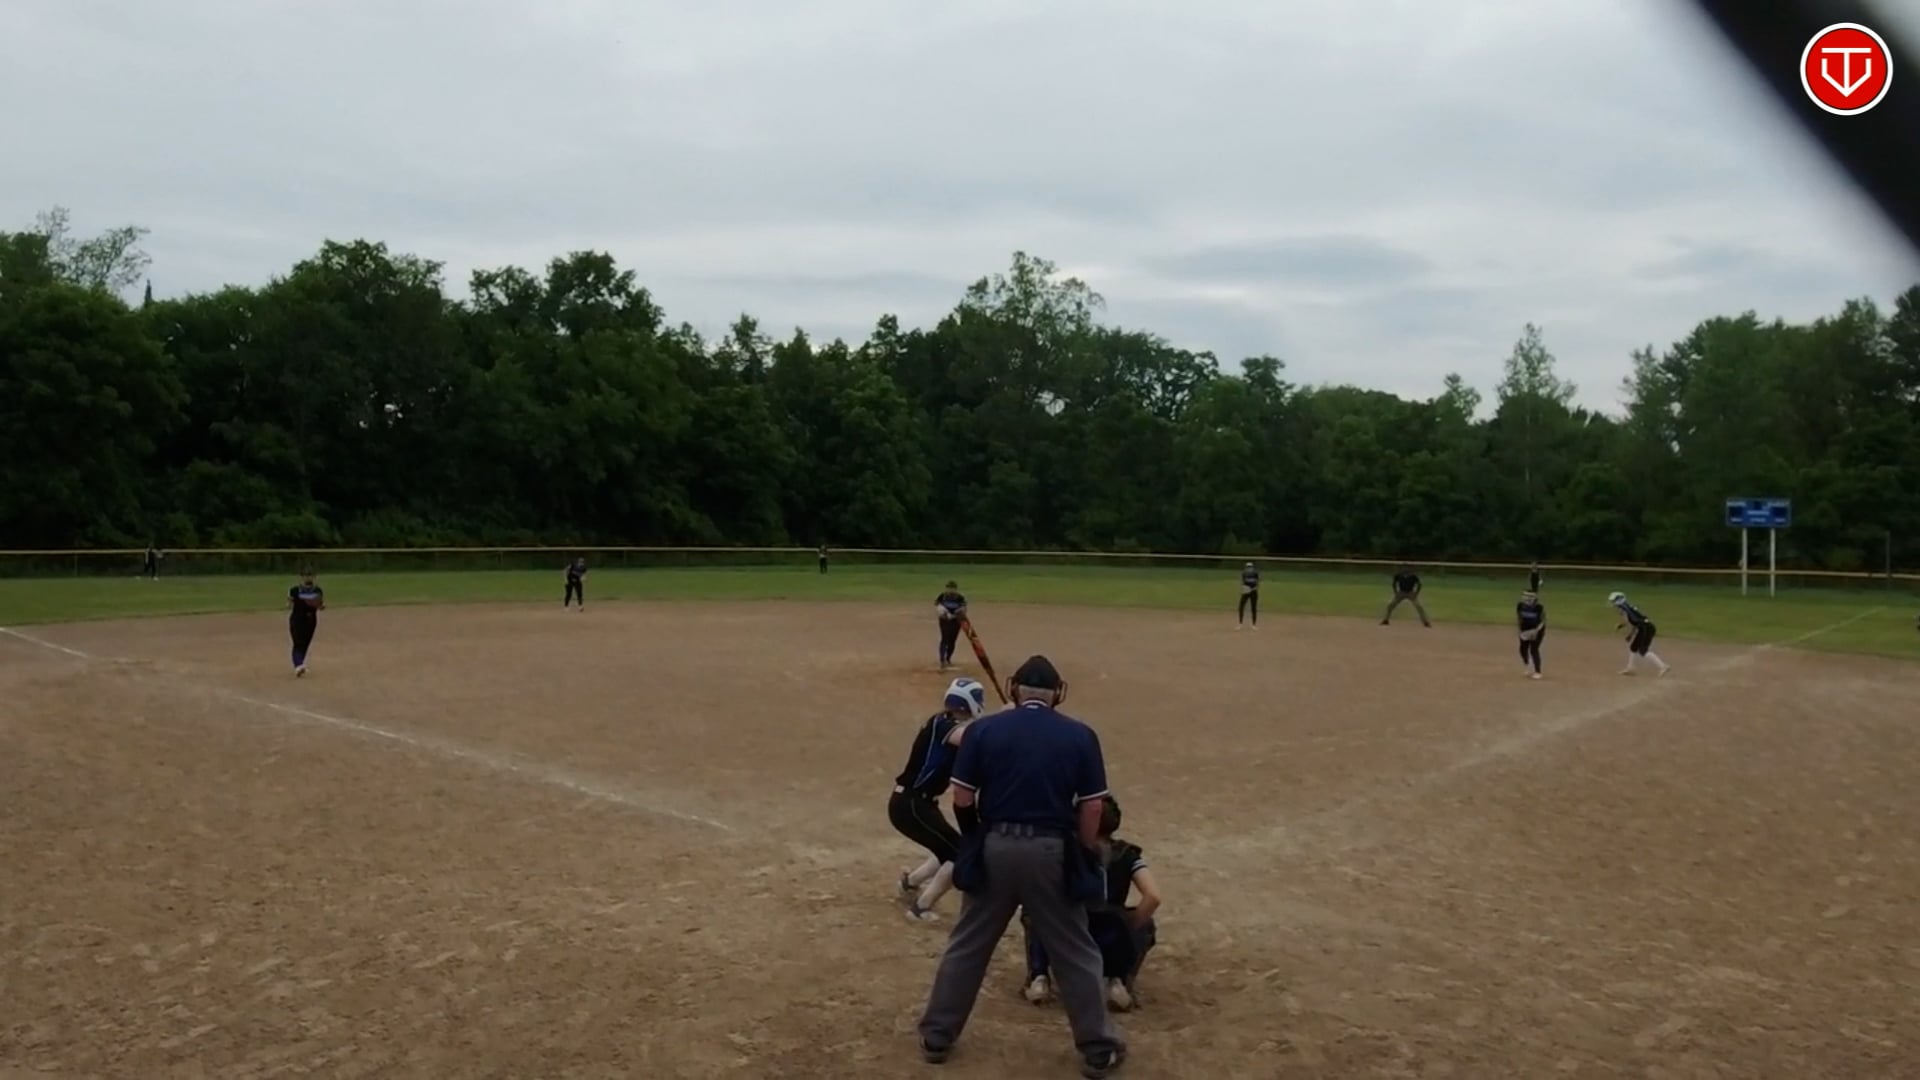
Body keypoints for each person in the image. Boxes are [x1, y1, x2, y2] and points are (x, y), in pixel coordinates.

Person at [915, 655, 1126, 1078]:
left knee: (968, 945)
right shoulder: (1080, 735)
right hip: (1051, 851)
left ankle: (937, 1036)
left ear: (1015, 689)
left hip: (995, 845)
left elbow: (962, 796)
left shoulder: (984, 730)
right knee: (1075, 950)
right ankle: (1098, 1048)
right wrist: (1084, 851)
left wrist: (976, 838)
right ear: (1056, 694)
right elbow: (1092, 807)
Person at [1020, 793, 1161, 1012]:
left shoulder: (1065, 851)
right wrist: (1127, 925)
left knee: (1034, 910)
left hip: (1068, 934)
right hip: (1108, 935)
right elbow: (1153, 897)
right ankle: (1118, 981)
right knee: (1146, 926)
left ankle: (1039, 977)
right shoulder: (1127, 854)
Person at [890, 677, 990, 922]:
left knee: (948, 844)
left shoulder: (944, 721)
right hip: (911, 805)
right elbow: (973, 738)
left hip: (919, 803)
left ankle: (910, 883)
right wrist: (1009, 720)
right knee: (959, 854)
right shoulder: (945, 725)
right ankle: (921, 908)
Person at [1608, 590, 1670, 676]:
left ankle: (1663, 666)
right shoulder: (1628, 606)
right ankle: (1630, 668)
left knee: (1643, 651)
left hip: (1645, 628)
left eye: (1613, 601)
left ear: (1618, 600)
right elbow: (1635, 622)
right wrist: (1623, 627)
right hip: (1646, 627)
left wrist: (1629, 634)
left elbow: (1631, 623)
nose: (1612, 603)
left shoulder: (1624, 609)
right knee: (1633, 647)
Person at [287, 567, 325, 677]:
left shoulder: (317, 591)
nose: (308, 578)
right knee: (297, 642)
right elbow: (289, 604)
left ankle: (300, 664)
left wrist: (321, 606)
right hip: (297, 619)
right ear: (301, 577)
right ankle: (298, 664)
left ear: (314, 577)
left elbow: (320, 605)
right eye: (305, 575)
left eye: (310, 575)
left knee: (305, 643)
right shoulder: (294, 590)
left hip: (311, 620)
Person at [934, 581, 968, 671]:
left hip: (956, 621)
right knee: (945, 638)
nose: (951, 590)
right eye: (949, 588)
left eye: (953, 588)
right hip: (945, 620)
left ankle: (948, 658)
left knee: (952, 640)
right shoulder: (942, 596)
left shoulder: (960, 597)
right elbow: (938, 606)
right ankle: (942, 660)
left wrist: (958, 614)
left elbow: (963, 608)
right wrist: (945, 613)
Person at [1516, 589, 1545, 679]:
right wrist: (1519, 630)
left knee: (1534, 650)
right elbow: (1519, 618)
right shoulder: (1520, 606)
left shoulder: (1539, 607)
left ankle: (1538, 672)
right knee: (1523, 649)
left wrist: (1536, 631)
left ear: (1534, 597)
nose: (1527, 598)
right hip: (1525, 630)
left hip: (1537, 631)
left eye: (1530, 596)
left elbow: (1543, 621)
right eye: (1525, 595)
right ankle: (1527, 665)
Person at [1236, 561, 1260, 629]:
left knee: (1243, 606)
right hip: (1251, 591)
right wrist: (1254, 588)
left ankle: (1242, 624)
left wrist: (1247, 588)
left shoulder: (1245, 572)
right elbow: (1257, 582)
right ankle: (1252, 625)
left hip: (1248, 591)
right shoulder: (1254, 572)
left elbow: (1243, 582)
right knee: (1252, 607)